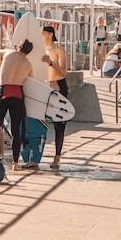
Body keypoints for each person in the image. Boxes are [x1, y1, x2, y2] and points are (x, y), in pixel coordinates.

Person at [0, 39, 35, 171]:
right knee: (15, 131)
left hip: (4, 92)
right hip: (17, 94)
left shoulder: (8, 52)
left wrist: (2, 65)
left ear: (18, 47)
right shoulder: (28, 64)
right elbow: (31, 82)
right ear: (28, 52)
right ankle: (15, 163)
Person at [41, 25, 68, 170]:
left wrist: (51, 63)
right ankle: (34, 154)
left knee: (59, 123)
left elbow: (63, 72)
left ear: (50, 34)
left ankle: (57, 156)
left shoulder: (59, 50)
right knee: (39, 120)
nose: (41, 35)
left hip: (58, 85)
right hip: (44, 85)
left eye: (43, 33)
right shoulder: (39, 49)